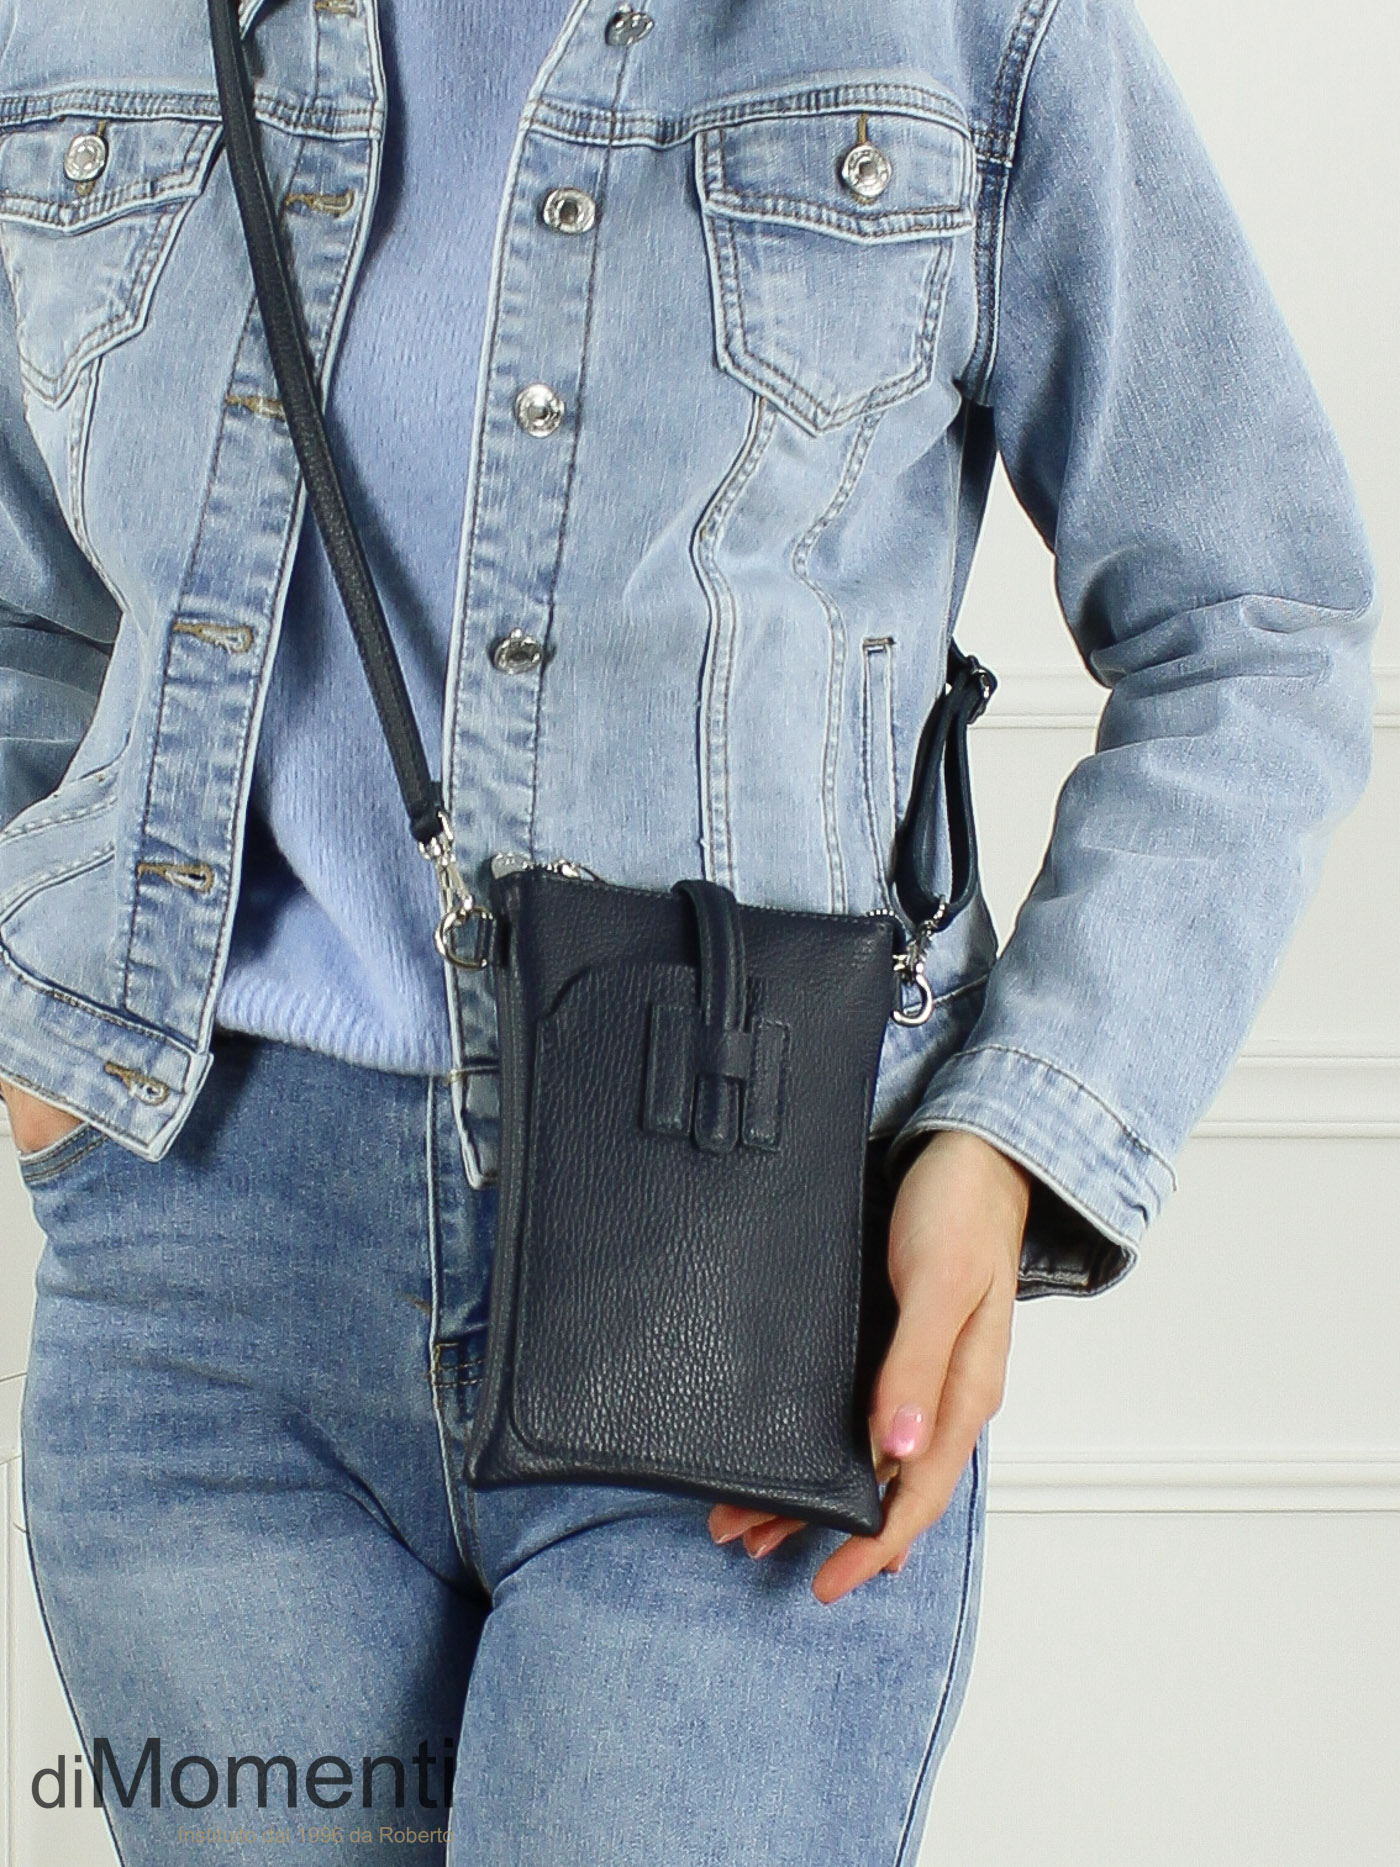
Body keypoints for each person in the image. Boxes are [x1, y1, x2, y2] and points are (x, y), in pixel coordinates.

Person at [0, 1, 1376, 1863]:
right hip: (205, 1291)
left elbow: (1255, 620)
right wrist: (44, 1048)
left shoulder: (972, 31)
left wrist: (1014, 1138)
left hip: (747, 1261)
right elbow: (33, 613)